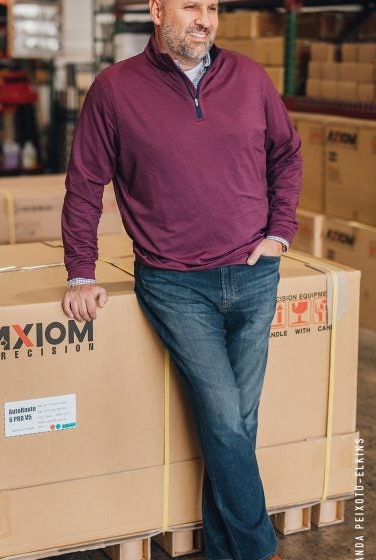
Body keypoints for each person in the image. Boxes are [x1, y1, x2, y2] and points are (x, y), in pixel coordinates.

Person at [61, 1, 301, 558]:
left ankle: (223, 551)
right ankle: (258, 550)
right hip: (175, 284)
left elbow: (287, 154)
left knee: (237, 423)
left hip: (254, 273)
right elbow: (85, 183)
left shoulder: (249, 77)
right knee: (225, 418)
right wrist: (80, 273)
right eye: (191, 5)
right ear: (156, 9)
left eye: (212, 7)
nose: (205, 19)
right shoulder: (115, 90)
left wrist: (280, 233)